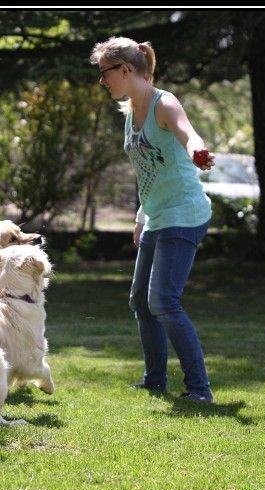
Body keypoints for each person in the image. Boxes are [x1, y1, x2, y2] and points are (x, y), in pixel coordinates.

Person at [90, 36, 215, 403]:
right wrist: (142, 216)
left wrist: (197, 150)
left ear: (125, 70)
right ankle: (155, 380)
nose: (103, 81)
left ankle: (199, 389)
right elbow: (148, 172)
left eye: (105, 73)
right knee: (140, 303)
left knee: (163, 302)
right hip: (157, 215)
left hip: (185, 213)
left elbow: (187, 132)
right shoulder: (130, 112)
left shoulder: (164, 103)